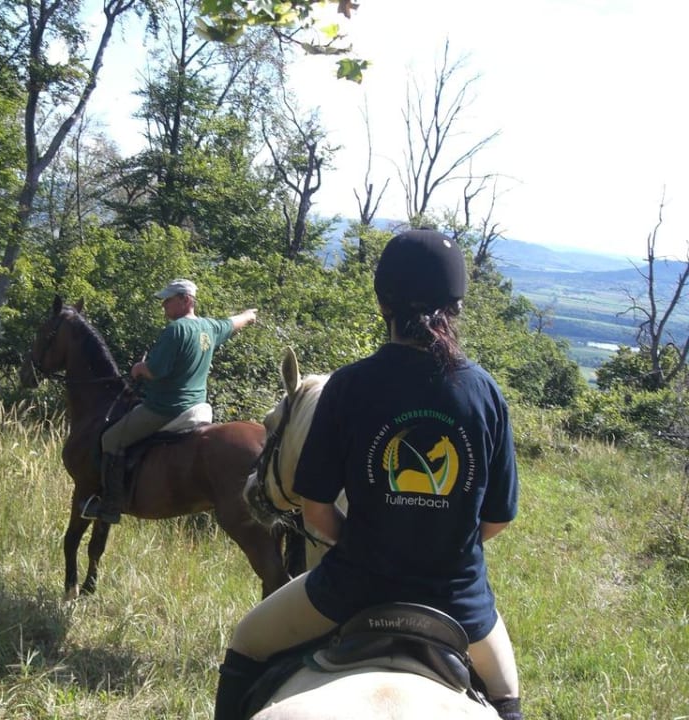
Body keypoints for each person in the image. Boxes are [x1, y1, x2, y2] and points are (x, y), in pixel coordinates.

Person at [214, 230, 523, 720]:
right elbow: (497, 521)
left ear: (383, 304)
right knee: (505, 698)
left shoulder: (348, 386)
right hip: (460, 604)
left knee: (246, 643)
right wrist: (439, 541)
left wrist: (357, 544)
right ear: (457, 307)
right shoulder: (485, 393)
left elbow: (314, 509)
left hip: (349, 589)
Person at [81, 278, 258, 524]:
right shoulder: (210, 327)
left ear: (186, 300)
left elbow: (156, 371)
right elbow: (232, 323)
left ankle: (109, 506)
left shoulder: (175, 330)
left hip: (166, 409)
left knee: (110, 439)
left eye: (168, 300)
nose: (164, 305)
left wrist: (139, 368)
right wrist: (249, 316)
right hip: (198, 407)